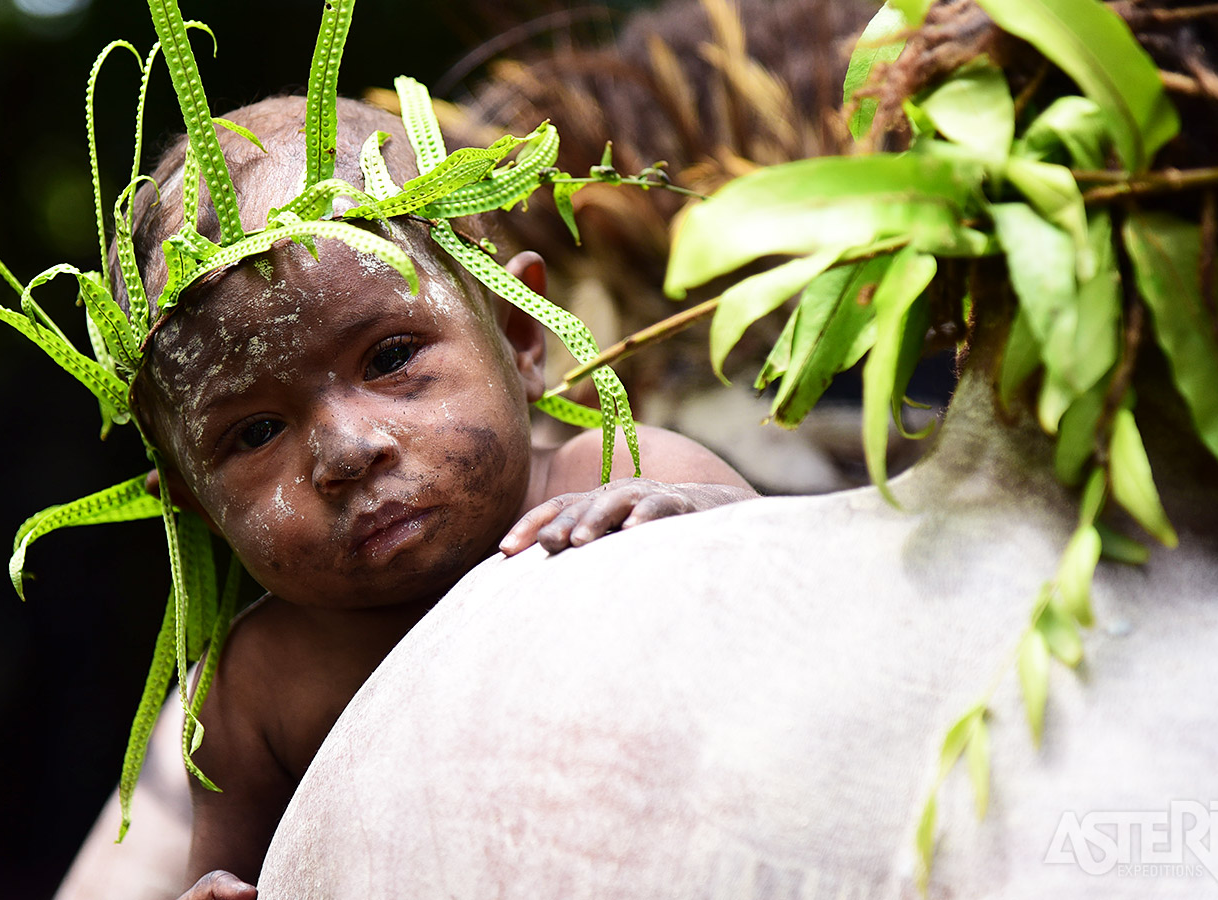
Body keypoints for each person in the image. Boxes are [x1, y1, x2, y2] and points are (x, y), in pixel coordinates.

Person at [111, 92, 756, 892]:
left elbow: (805, 604)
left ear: (520, 340)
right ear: (198, 505)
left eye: (387, 359)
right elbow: (229, 876)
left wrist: (709, 527)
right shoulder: (258, 692)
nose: (346, 452)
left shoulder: (626, 474)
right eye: (254, 433)